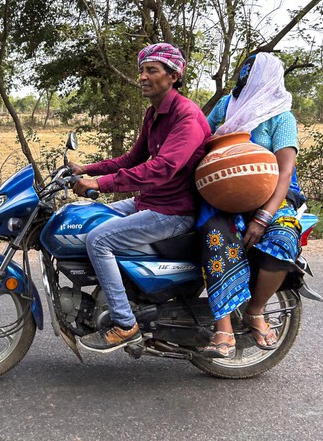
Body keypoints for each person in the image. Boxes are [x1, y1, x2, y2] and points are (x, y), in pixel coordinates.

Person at [70, 43, 211, 353]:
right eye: (142, 70)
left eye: (152, 70)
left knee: (98, 240)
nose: (143, 76)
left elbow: (161, 168)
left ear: (173, 76)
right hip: (149, 202)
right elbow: (132, 159)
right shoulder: (154, 114)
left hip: (174, 211)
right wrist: (86, 169)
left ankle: (124, 324)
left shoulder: (186, 116)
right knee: (82, 217)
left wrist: (100, 183)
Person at [197, 52, 306, 358]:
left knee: (283, 239)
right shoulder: (225, 106)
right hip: (221, 194)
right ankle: (223, 329)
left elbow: (285, 171)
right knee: (216, 237)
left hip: (271, 196)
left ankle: (255, 310)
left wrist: (263, 217)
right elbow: (200, 140)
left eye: (250, 73)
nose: (244, 78)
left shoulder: (281, 116)